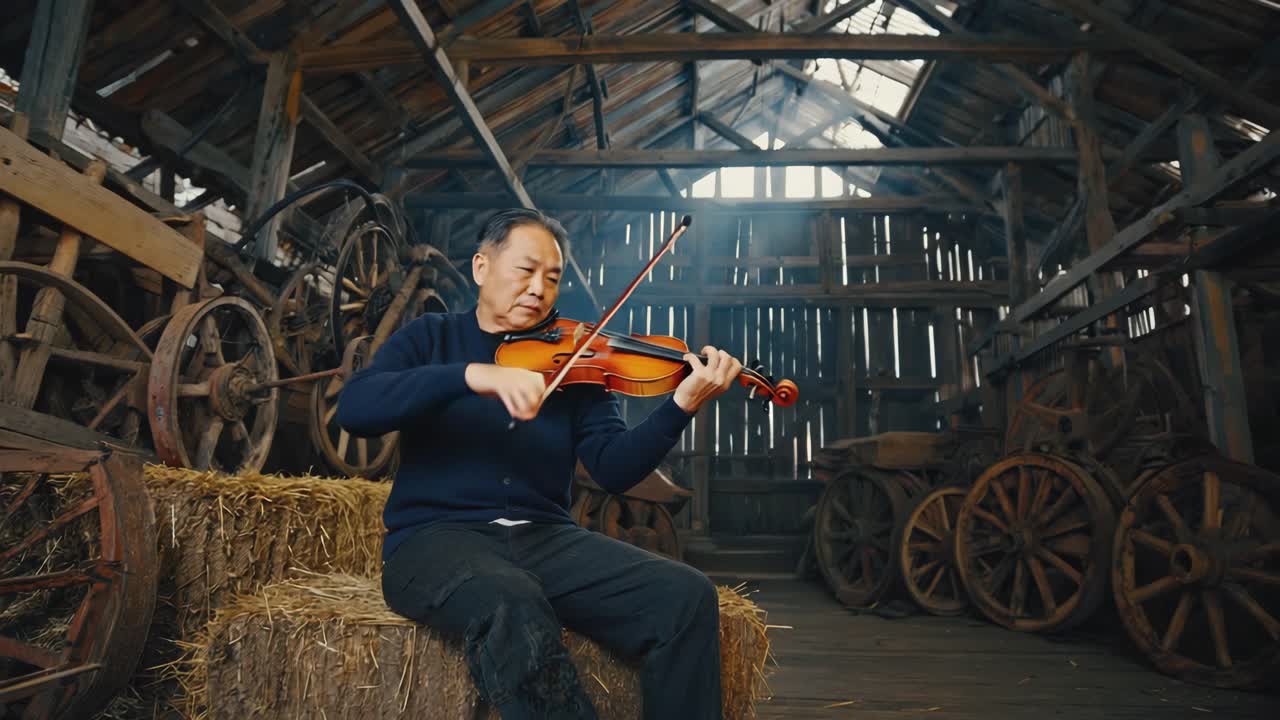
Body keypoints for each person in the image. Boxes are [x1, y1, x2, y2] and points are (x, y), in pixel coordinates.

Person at [336, 208, 742, 719]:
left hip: (546, 539)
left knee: (686, 597)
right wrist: (471, 376)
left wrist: (680, 405)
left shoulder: (578, 359)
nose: (539, 289)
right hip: (434, 541)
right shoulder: (431, 338)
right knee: (510, 599)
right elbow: (357, 409)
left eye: (552, 278)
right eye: (525, 271)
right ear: (482, 267)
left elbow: (614, 468)